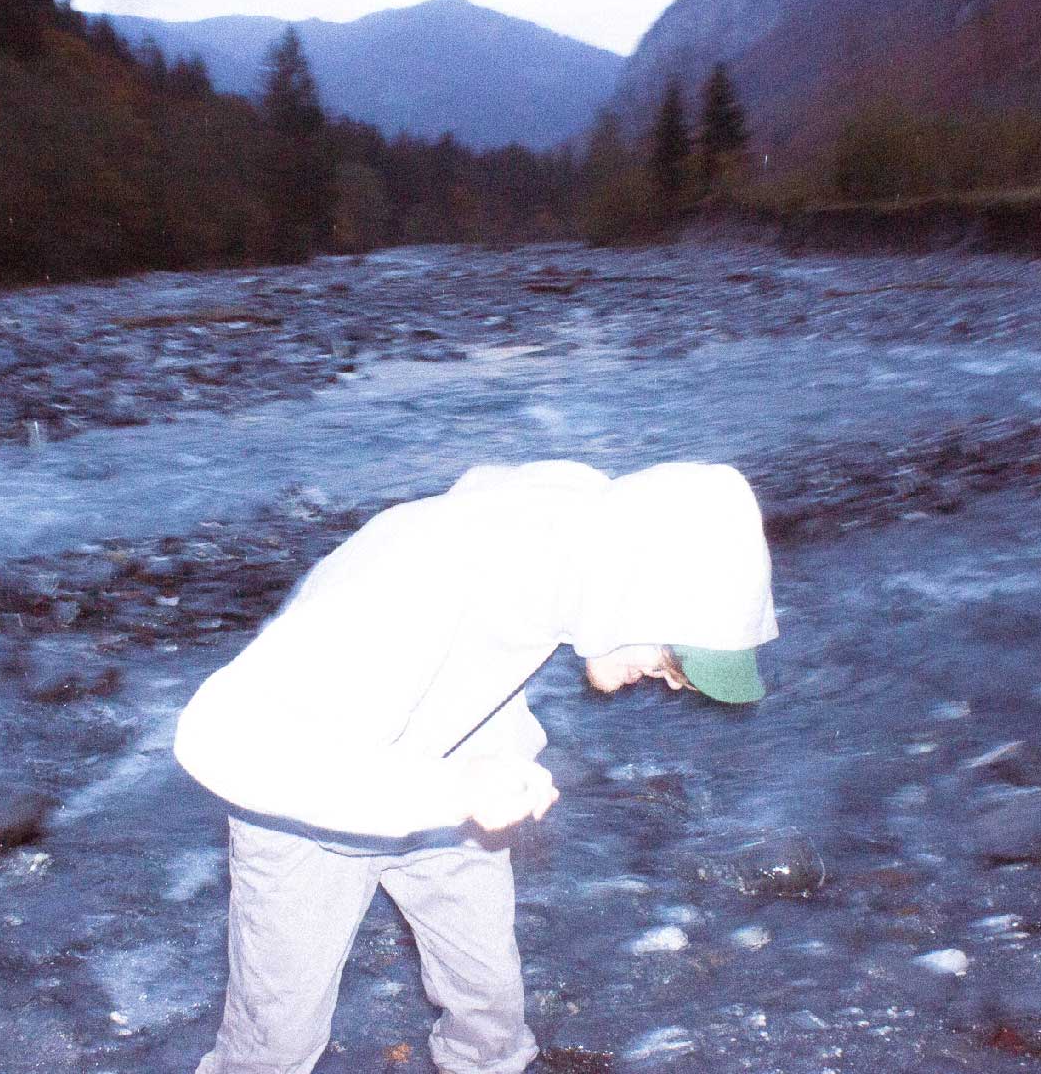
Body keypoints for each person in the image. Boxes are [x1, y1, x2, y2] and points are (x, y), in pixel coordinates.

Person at [173, 459, 778, 1074]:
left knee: (490, 1024)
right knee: (272, 1048)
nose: (673, 682)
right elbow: (214, 737)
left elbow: (494, 522)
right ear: (634, 590)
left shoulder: (579, 542)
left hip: (451, 785)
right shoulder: (416, 574)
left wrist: (494, 759)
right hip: (306, 812)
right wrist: (452, 788)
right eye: (674, 658)